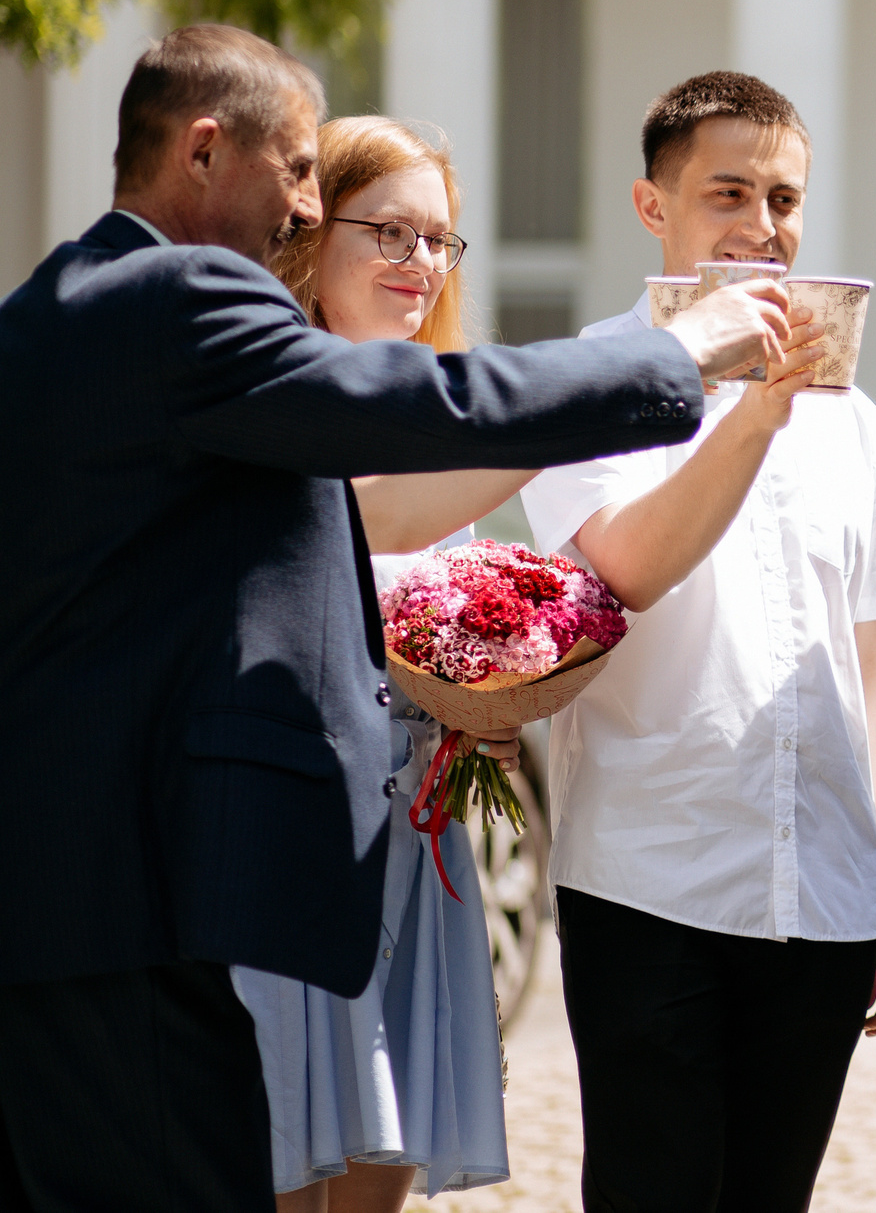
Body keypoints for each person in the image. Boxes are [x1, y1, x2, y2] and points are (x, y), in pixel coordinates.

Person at [0, 24, 788, 1211]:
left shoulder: (48, 308)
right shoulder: (181, 292)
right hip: (141, 900)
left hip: (61, 896)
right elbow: (415, 404)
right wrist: (670, 350)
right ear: (207, 148)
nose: (310, 206)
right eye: (300, 169)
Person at [518, 71, 876, 1213]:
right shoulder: (591, 382)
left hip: (828, 893)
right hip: (651, 878)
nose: (763, 228)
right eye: (729, 194)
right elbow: (628, 569)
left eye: (785, 199)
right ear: (655, 208)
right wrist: (752, 411)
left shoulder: (857, 416)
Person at [231, 116, 534, 1209]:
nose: (420, 262)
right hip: (293, 842)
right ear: (313, 240)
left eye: (439, 239)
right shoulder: (275, 397)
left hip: (417, 830)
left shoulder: (442, 408)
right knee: (281, 1170)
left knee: (380, 1170)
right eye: (390, 231)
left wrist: (497, 696)